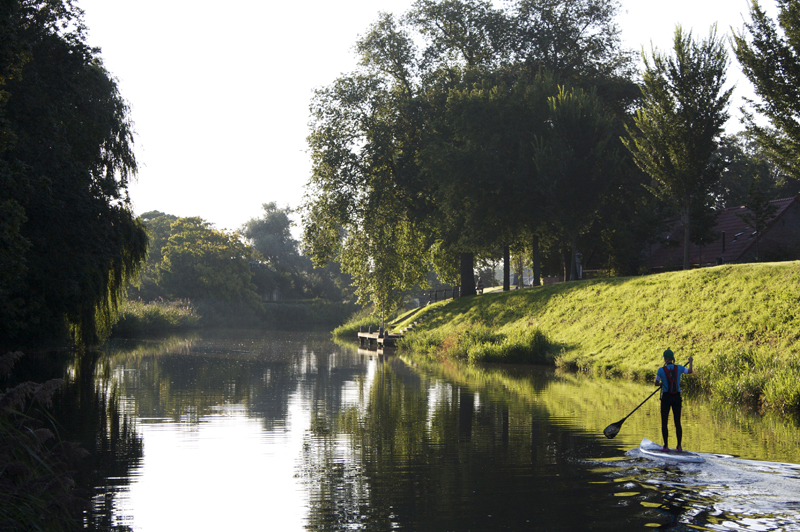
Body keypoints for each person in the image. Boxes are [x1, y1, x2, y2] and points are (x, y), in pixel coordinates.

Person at [654, 348, 693, 452]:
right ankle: (679, 447)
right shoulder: (679, 368)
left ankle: (666, 446)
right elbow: (690, 371)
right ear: (672, 358)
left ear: (665, 359)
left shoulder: (661, 370)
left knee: (664, 422)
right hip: (677, 397)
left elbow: (656, 383)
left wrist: (661, 384)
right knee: (677, 423)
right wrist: (690, 362)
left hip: (666, 398)